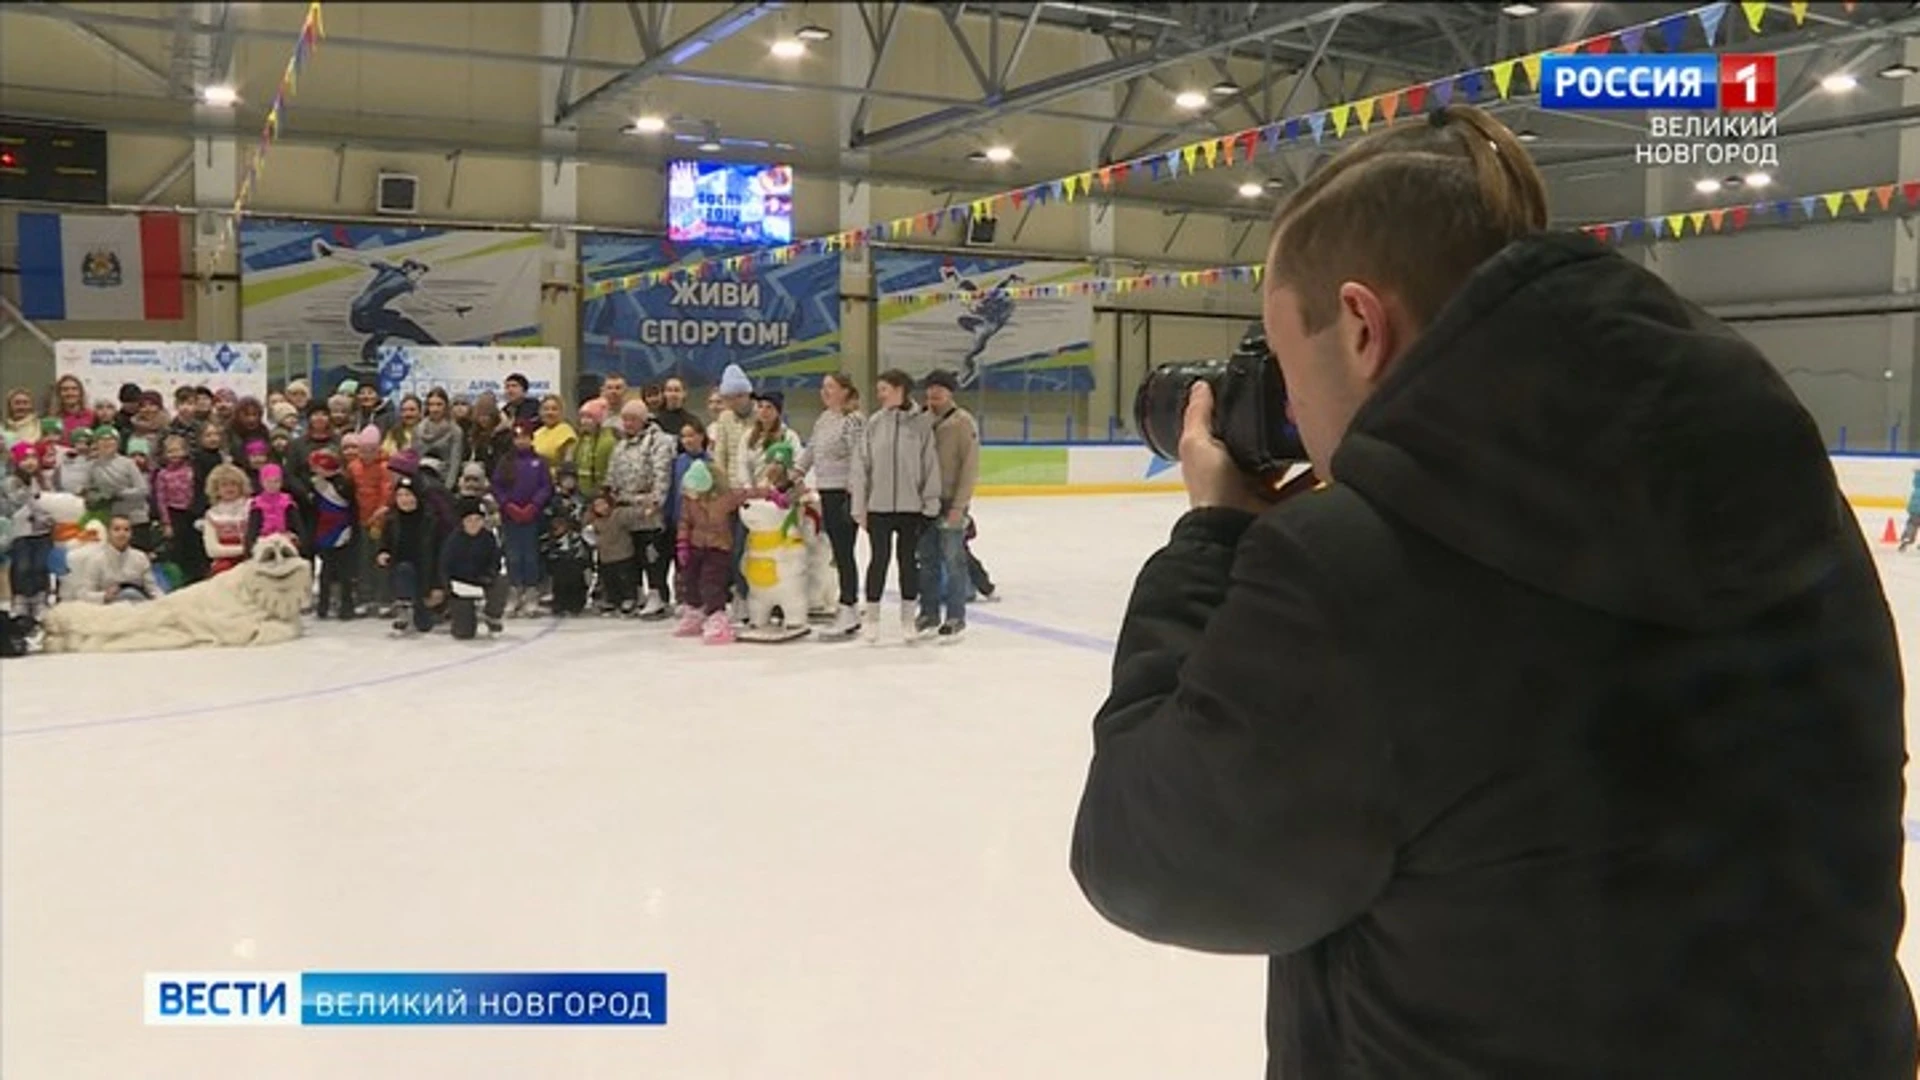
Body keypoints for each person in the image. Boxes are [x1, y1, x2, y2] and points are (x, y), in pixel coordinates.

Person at [1068, 105, 1917, 1077]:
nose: (1288, 412)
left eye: (1284, 368)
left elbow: (1147, 854)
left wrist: (1213, 535)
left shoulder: (1350, 578)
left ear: (1359, 326)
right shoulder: (1792, 497)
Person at [850, 369, 940, 644]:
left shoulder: (922, 425)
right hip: (878, 507)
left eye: (884, 390)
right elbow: (861, 467)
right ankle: (873, 620)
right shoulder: (874, 424)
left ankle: (907, 620)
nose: (879, 395)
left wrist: (930, 503)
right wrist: (859, 506)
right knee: (879, 560)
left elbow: (930, 466)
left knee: (907, 564)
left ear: (900, 389)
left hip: (911, 508)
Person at [797, 372, 865, 637]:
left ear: (845, 391)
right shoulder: (824, 418)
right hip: (827, 491)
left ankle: (849, 607)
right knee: (837, 551)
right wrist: (795, 473)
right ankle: (846, 606)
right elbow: (811, 450)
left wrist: (853, 493)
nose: (824, 391)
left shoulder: (853, 420)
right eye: (822, 386)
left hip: (845, 493)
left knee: (844, 552)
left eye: (830, 387)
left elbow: (860, 457)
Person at [915, 369, 978, 641]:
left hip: (952, 502)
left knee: (954, 561)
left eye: (940, 389)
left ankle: (955, 616)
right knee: (927, 560)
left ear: (950, 392)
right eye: (930, 388)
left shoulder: (963, 422)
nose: (934, 394)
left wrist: (960, 505)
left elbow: (970, 466)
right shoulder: (920, 421)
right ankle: (929, 613)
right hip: (924, 504)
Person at [607, 398, 676, 618]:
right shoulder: (621, 446)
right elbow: (612, 475)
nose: (628, 423)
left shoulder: (659, 441)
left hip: (648, 508)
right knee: (630, 554)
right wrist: (609, 498)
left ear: (644, 419)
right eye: (625, 419)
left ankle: (657, 593)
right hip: (625, 507)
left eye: (633, 419)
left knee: (651, 554)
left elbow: (662, 473)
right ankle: (634, 592)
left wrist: (656, 501)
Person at [492, 419, 553, 617]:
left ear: (531, 438)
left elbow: (545, 486)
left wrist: (534, 505)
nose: (521, 441)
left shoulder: (539, 462)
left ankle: (531, 590)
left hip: (532, 516)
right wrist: (508, 505)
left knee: (530, 554)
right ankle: (515, 588)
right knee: (513, 554)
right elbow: (497, 486)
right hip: (510, 517)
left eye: (525, 437)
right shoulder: (505, 462)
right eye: (517, 438)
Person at [378, 474, 448, 635]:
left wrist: (438, 586)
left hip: (426, 576)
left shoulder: (431, 521)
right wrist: (382, 553)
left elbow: (440, 555)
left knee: (424, 626)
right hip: (401, 575)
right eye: (400, 495)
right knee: (404, 569)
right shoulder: (391, 521)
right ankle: (404, 606)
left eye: (408, 495)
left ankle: (423, 608)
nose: (404, 500)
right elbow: (384, 545)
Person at [441, 496, 506, 639]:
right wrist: (449, 588)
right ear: (462, 522)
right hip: (460, 586)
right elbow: (445, 567)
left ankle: (492, 615)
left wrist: (489, 574)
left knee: (501, 581)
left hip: (483, 579)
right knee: (464, 633)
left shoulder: (488, 538)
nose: (474, 524)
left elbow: (495, 560)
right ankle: (462, 615)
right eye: (469, 520)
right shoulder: (453, 541)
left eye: (478, 520)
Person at [66, 516, 160, 604]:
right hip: (109, 611)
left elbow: (152, 589)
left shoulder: (140, 557)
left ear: (131, 534)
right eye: (116, 529)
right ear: (108, 533)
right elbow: (84, 594)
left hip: (138, 605)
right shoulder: (96, 559)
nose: (122, 534)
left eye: (126, 530)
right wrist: (104, 596)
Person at [653, 377, 694, 443]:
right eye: (669, 390)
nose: (673, 394)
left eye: (677, 390)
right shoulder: (656, 421)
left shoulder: (692, 422)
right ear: (664, 393)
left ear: (684, 393)